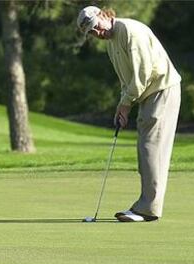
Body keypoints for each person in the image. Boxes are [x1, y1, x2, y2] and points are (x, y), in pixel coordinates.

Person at [77, 6, 181, 222]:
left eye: (96, 27)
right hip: (148, 94)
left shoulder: (129, 31)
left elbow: (142, 74)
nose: (97, 33)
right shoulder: (111, 44)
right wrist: (122, 105)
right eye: (91, 33)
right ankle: (147, 206)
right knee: (146, 148)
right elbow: (127, 81)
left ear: (104, 16)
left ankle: (147, 210)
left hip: (162, 89)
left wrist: (126, 104)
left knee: (151, 148)